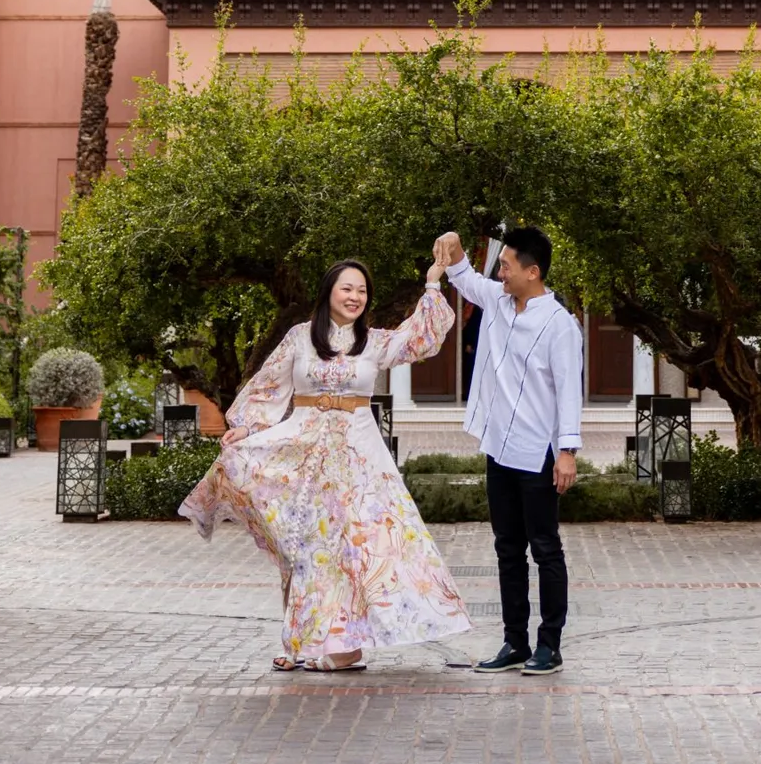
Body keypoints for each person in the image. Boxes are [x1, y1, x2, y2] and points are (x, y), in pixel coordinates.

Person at [180, 252, 471, 672]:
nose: (355, 296)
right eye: (347, 288)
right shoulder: (301, 337)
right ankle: (303, 639)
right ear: (329, 293)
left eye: (361, 291)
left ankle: (343, 645)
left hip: (358, 457)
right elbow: (269, 384)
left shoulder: (374, 341)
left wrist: (432, 282)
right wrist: (246, 426)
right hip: (303, 451)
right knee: (305, 546)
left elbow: (421, 338)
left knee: (358, 547)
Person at [435, 225, 583, 678]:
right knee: (506, 549)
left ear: (532, 272)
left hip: (538, 451)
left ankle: (549, 645)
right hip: (498, 447)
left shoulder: (560, 325)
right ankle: (514, 642)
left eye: (506, 265)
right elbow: (461, 274)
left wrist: (567, 451)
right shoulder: (497, 302)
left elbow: (568, 392)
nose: (499, 272)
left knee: (545, 549)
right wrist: (454, 241)